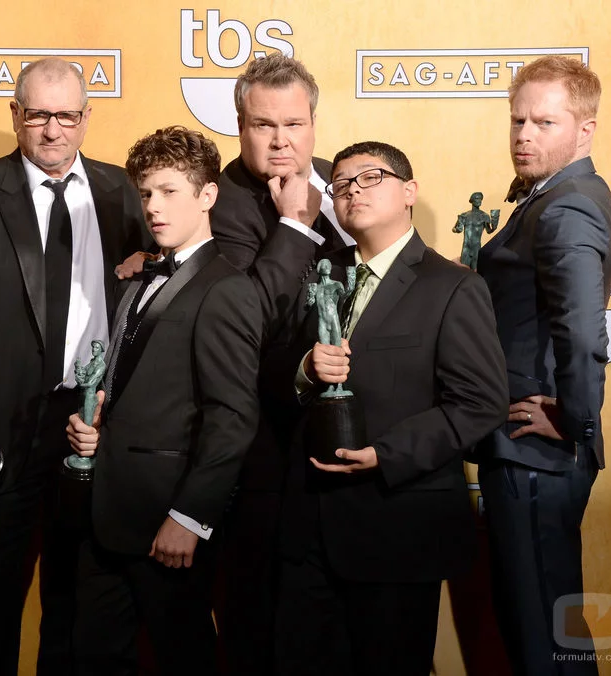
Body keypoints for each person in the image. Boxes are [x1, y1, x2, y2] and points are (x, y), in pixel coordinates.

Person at [0, 57, 147, 675]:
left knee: (80, 604)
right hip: (0, 424)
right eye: (39, 115)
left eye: (67, 116)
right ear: (16, 115)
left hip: (94, 425)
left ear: (87, 118)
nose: (54, 130)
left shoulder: (125, 191)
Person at [278, 141, 508, 676]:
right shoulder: (317, 275)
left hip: (398, 530)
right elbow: (272, 374)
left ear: (409, 192)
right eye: (340, 183)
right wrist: (305, 369)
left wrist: (386, 454)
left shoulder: (452, 285)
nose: (352, 190)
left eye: (370, 177)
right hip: (307, 530)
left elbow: (481, 402)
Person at [66, 125, 261, 676]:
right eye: (147, 192)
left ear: (207, 195)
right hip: (107, 514)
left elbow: (233, 417)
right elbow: (133, 385)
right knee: (93, 657)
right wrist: (94, 425)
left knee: (185, 657)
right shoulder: (135, 279)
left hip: (168, 519)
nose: (153, 207)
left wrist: (190, 517)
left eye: (170, 191)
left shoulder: (228, 287)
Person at [475, 56, 611, 675]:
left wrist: (575, 420)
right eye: (518, 120)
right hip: (528, 451)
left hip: (536, 452)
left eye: (544, 122)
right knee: (543, 628)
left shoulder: (567, 207)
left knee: (544, 640)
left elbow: (583, 330)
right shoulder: (553, 196)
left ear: (584, 129)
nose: (524, 135)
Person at [209, 54, 353, 673]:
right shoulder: (217, 202)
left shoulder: (347, 182)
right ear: (240, 126)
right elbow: (253, 320)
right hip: (263, 443)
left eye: (294, 124)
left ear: (313, 124)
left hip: (355, 437)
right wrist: (294, 224)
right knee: (258, 614)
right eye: (263, 125)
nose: (280, 141)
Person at [453, 191, 500, 270]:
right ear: (472, 200)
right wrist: (456, 229)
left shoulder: (484, 216)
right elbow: (456, 229)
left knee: (476, 271)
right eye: (477, 198)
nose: (479, 201)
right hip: (466, 247)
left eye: (481, 199)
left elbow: (489, 231)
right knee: (463, 271)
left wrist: (495, 222)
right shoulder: (464, 215)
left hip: (476, 248)